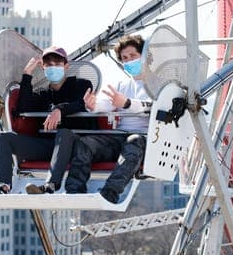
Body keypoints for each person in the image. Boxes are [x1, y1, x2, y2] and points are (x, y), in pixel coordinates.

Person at [29, 34, 151, 204]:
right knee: (85, 143)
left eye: (133, 56)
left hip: (144, 140)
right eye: (124, 58)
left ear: (144, 57)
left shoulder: (156, 85)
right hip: (119, 137)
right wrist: (93, 105)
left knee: (134, 141)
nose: (128, 61)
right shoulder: (121, 86)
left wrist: (127, 103)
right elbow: (107, 103)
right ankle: (74, 190)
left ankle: (109, 193)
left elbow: (152, 107)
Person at [0, 46, 93, 195]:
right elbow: (23, 107)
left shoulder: (81, 85)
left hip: (74, 146)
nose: (53, 68)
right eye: (48, 65)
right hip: (48, 145)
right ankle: (3, 185)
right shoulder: (43, 94)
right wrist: (27, 75)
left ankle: (51, 185)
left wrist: (59, 110)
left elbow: (82, 103)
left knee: (63, 133)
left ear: (66, 66)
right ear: (43, 68)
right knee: (4, 138)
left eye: (57, 64)